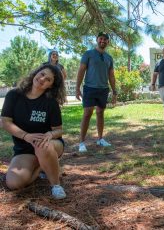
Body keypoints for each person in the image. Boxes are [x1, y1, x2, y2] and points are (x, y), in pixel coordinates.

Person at [1, 64, 67, 199]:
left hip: (50, 145)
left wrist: (49, 135)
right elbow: (5, 122)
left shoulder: (50, 102)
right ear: (36, 73)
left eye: (48, 79)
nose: (42, 79)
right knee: (14, 183)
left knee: (41, 144)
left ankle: (56, 185)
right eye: (42, 74)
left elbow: (59, 131)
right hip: (25, 148)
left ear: (50, 86)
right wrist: (26, 136)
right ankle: (42, 166)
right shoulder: (14, 95)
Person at [76, 32, 117, 152]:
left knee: (100, 113)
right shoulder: (88, 54)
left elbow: (111, 76)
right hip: (90, 88)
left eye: (105, 39)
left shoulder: (109, 58)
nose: (102, 41)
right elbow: (81, 71)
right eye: (101, 39)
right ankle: (81, 142)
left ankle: (100, 139)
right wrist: (77, 88)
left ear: (108, 42)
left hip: (103, 89)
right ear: (97, 40)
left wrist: (114, 92)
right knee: (87, 113)